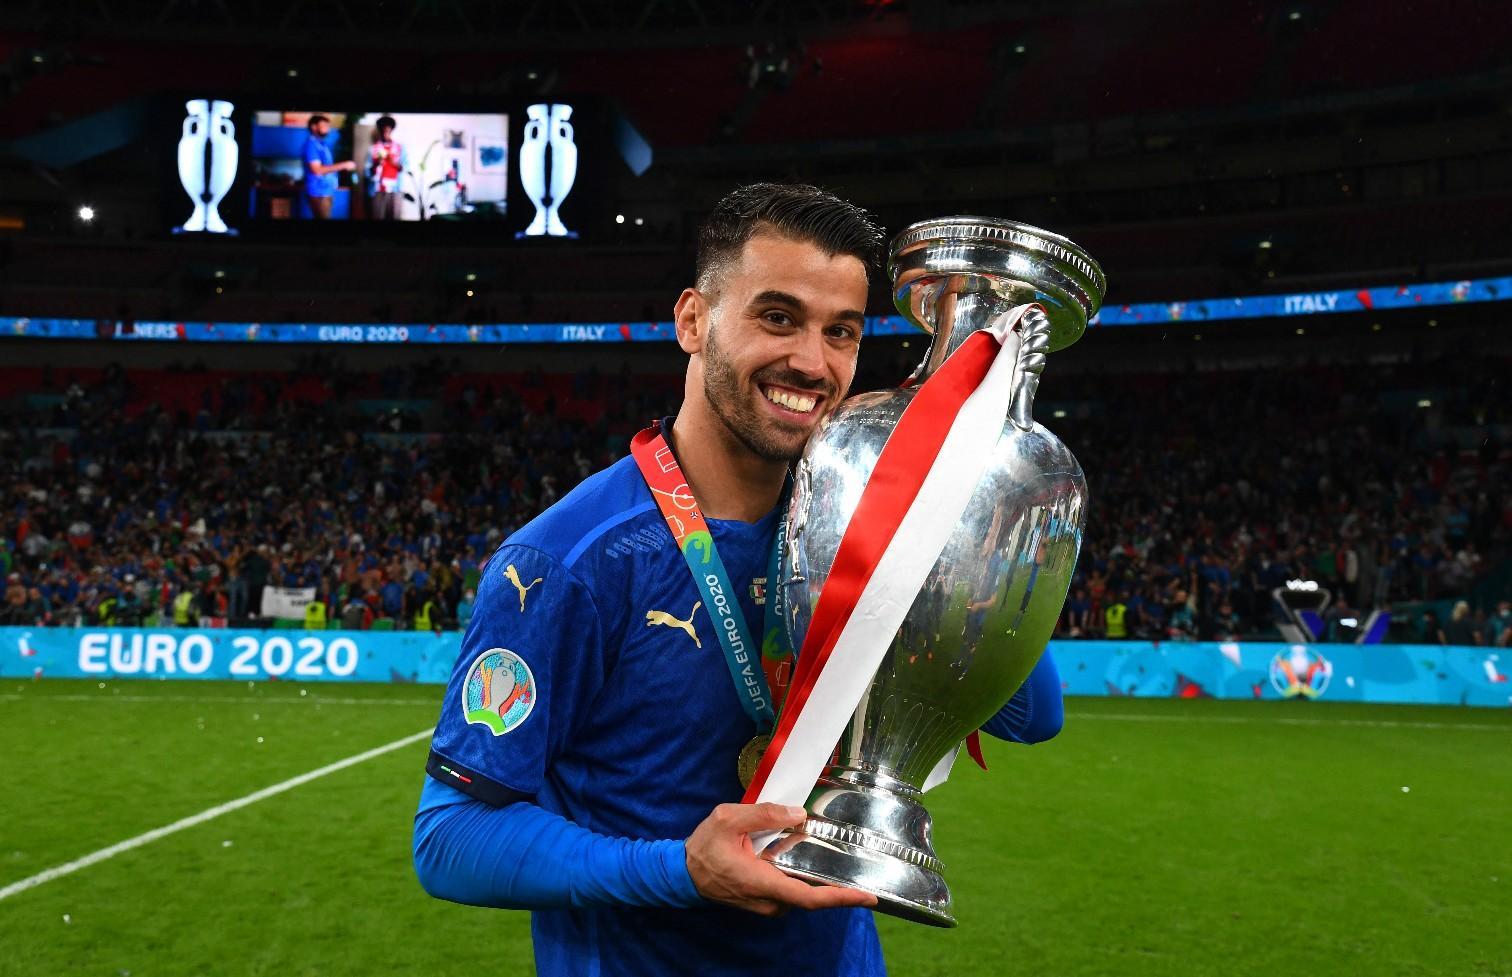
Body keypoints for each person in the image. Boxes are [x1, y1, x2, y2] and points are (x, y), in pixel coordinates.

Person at [412, 183, 1066, 977]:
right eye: (778, 317)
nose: (812, 362)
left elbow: (1032, 717)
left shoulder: (862, 529)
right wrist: (679, 870)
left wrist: (958, 500)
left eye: (843, 332)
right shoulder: (567, 563)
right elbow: (449, 839)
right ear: (693, 319)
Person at [301, 115, 355, 220]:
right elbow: (317, 170)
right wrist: (344, 165)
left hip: (326, 190)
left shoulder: (322, 144)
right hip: (319, 192)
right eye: (324, 126)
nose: (327, 129)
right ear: (313, 127)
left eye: (328, 126)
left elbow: (327, 166)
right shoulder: (311, 145)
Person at [365, 116, 407, 220]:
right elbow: (367, 172)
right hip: (378, 189)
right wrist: (376, 164)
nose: (385, 133)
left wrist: (393, 162)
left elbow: (405, 168)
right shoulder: (373, 149)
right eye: (383, 130)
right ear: (379, 130)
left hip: (395, 189)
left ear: (392, 130)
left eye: (388, 130)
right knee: (376, 217)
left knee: (395, 217)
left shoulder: (400, 148)